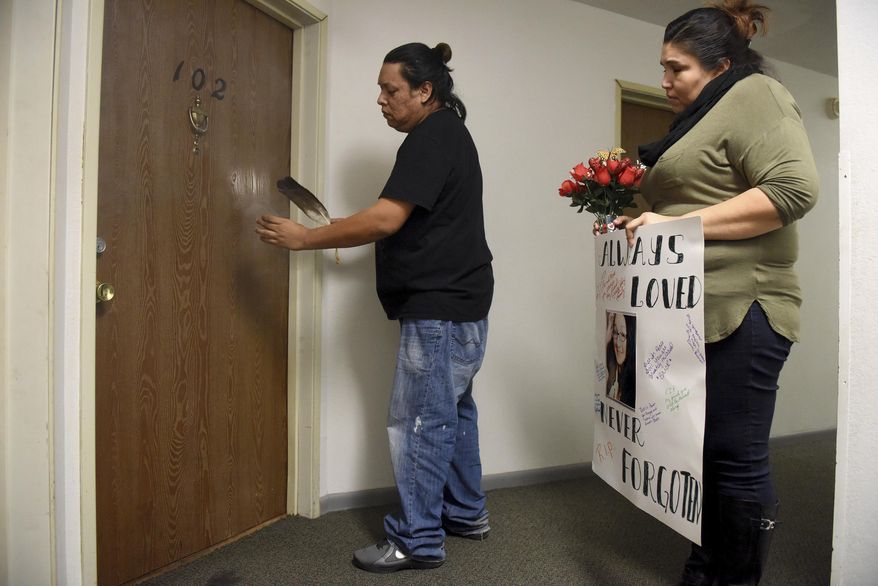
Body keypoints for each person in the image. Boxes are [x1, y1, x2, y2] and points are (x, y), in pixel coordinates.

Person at [256, 42, 493, 573]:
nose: (381, 100)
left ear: (425, 90)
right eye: (379, 90)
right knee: (452, 412)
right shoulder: (448, 132)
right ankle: (466, 512)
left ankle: (418, 540)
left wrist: (307, 238)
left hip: (440, 310)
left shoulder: (431, 137)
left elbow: (387, 218)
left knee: (419, 421)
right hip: (463, 303)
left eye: (391, 90)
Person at [612, 2, 818, 584]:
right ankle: (705, 568)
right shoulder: (701, 117)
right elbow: (694, 198)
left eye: (677, 68)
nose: (665, 80)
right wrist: (642, 224)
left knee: (734, 458)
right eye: (663, 67)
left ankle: (733, 578)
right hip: (688, 311)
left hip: (743, 307)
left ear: (720, 65)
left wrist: (676, 226)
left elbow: (794, 189)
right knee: (700, 457)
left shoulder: (756, 95)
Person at [605, 312, 636, 409]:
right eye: (615, 332)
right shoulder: (614, 378)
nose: (617, 343)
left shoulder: (633, 391)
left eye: (623, 335)